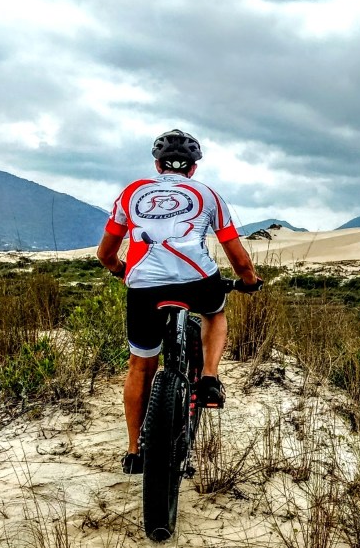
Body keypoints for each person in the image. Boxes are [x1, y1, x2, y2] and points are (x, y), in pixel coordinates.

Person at [96, 129, 263, 474]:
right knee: (214, 314)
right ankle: (210, 378)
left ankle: (133, 451)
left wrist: (119, 269)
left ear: (157, 165)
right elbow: (238, 256)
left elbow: (105, 253)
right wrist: (249, 281)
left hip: (143, 287)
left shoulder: (132, 193)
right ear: (194, 168)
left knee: (140, 366)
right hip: (196, 282)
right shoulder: (208, 194)